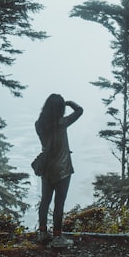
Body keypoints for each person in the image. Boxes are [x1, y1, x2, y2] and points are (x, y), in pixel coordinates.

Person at [35, 94, 83, 248]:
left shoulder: (39, 125)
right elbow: (80, 110)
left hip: (46, 168)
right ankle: (57, 237)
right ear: (61, 109)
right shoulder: (62, 123)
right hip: (62, 170)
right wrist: (69, 103)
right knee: (59, 203)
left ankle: (42, 232)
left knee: (45, 201)